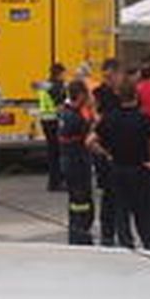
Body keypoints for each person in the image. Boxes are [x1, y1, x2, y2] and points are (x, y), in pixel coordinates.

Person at [90, 82, 150, 251]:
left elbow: (90, 141)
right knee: (147, 214)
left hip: (118, 169)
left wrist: (106, 154)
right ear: (136, 97)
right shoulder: (143, 118)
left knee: (121, 212)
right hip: (141, 169)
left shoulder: (110, 118)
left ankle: (126, 245)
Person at [91, 58, 133, 246]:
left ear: (119, 73)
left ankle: (123, 234)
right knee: (109, 193)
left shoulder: (126, 93)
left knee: (123, 195)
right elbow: (94, 117)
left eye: (111, 76)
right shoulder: (99, 93)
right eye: (105, 76)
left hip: (123, 146)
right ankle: (108, 234)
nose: (108, 80)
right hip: (106, 148)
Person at [57, 79, 96, 245]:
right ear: (80, 95)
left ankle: (77, 233)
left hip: (69, 162)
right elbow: (89, 136)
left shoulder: (66, 112)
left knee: (76, 202)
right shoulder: (76, 118)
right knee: (82, 203)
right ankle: (81, 235)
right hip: (77, 163)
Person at [37, 62, 68, 191]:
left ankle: (53, 182)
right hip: (54, 121)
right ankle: (57, 182)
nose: (64, 76)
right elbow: (61, 105)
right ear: (59, 74)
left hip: (45, 120)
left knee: (52, 153)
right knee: (58, 153)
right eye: (63, 74)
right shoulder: (56, 87)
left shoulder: (46, 85)